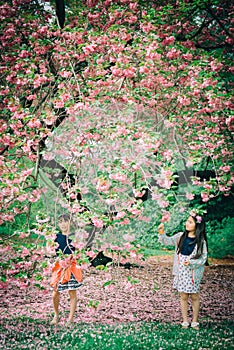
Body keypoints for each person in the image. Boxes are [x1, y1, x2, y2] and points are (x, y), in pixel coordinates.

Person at [158, 212, 208, 330]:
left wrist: (191, 262)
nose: (187, 223)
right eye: (187, 221)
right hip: (181, 273)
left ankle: (195, 321)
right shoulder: (180, 236)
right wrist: (161, 233)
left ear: (197, 225)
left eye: (190, 222)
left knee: (194, 296)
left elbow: (203, 258)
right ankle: (185, 321)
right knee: (183, 296)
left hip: (193, 274)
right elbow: (167, 241)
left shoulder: (201, 242)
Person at [48, 214, 82, 325]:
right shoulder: (56, 237)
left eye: (65, 221)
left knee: (72, 292)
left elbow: (79, 252)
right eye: (60, 221)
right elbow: (52, 251)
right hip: (60, 266)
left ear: (70, 222)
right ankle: (56, 315)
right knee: (55, 293)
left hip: (71, 266)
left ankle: (70, 319)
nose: (63, 224)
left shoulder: (75, 237)